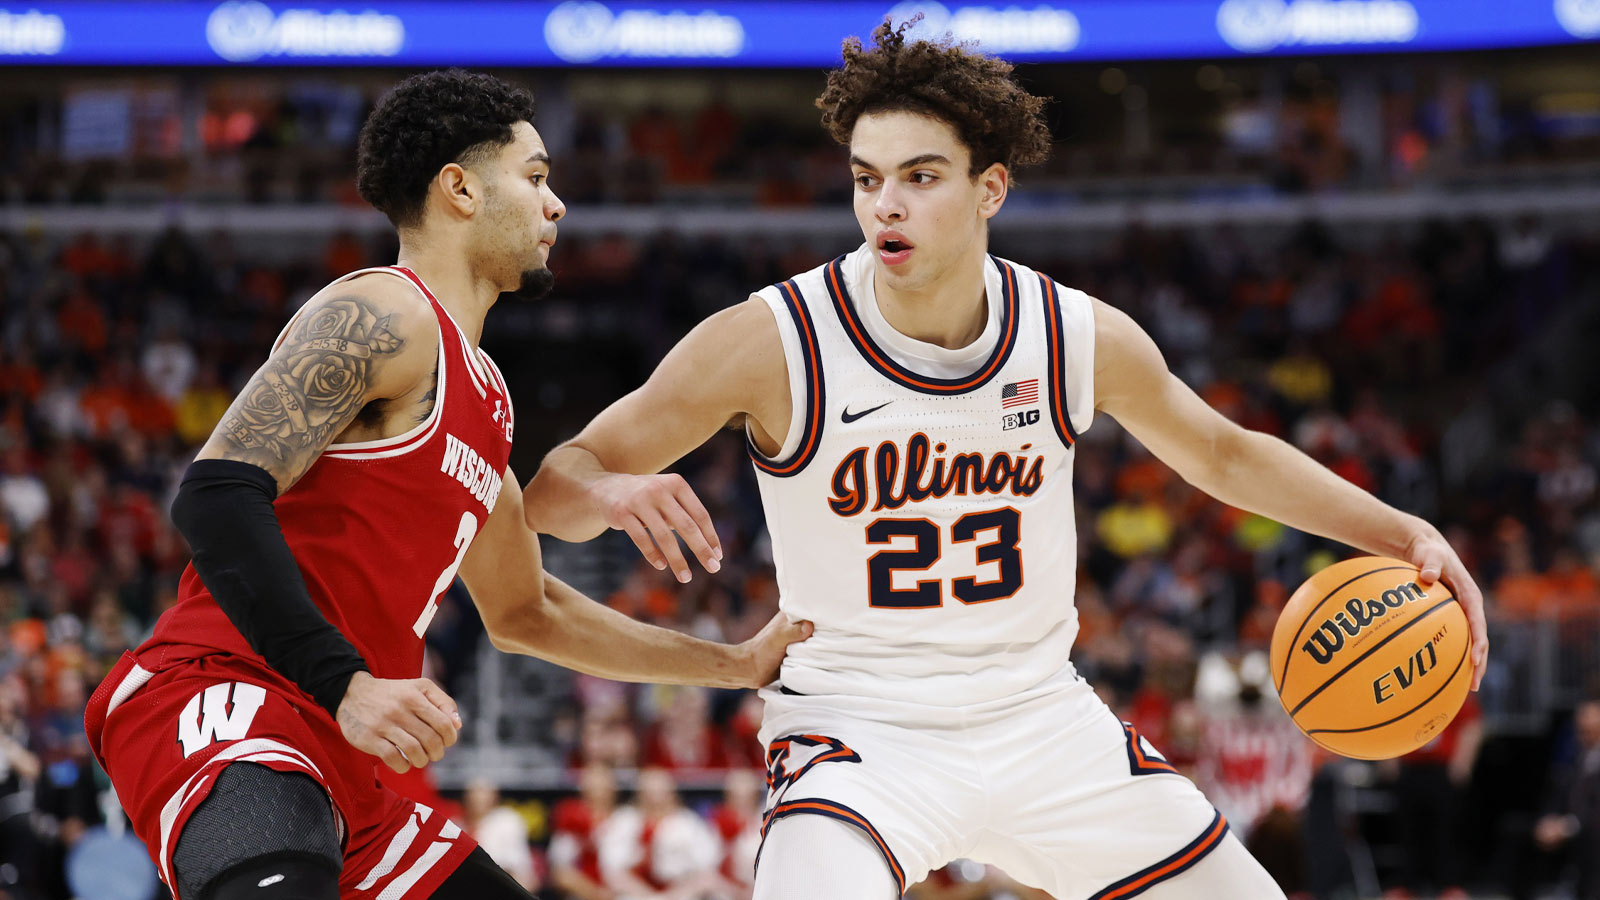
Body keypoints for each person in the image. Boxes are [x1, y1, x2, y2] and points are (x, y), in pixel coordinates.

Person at [523, 20, 1489, 900]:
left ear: (991, 186)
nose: (885, 205)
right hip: (861, 731)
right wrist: (610, 486)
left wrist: (1403, 531)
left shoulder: (1074, 334)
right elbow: (550, 491)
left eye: (920, 176)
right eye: (866, 179)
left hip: (1044, 719)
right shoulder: (772, 340)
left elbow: (1227, 456)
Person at [82, 69, 809, 900]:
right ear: (459, 189)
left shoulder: (488, 401)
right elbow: (214, 493)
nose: (556, 204)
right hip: (224, 690)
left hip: (352, 752)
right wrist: (345, 682)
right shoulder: (388, 312)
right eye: (535, 177)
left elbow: (528, 610)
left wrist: (737, 663)